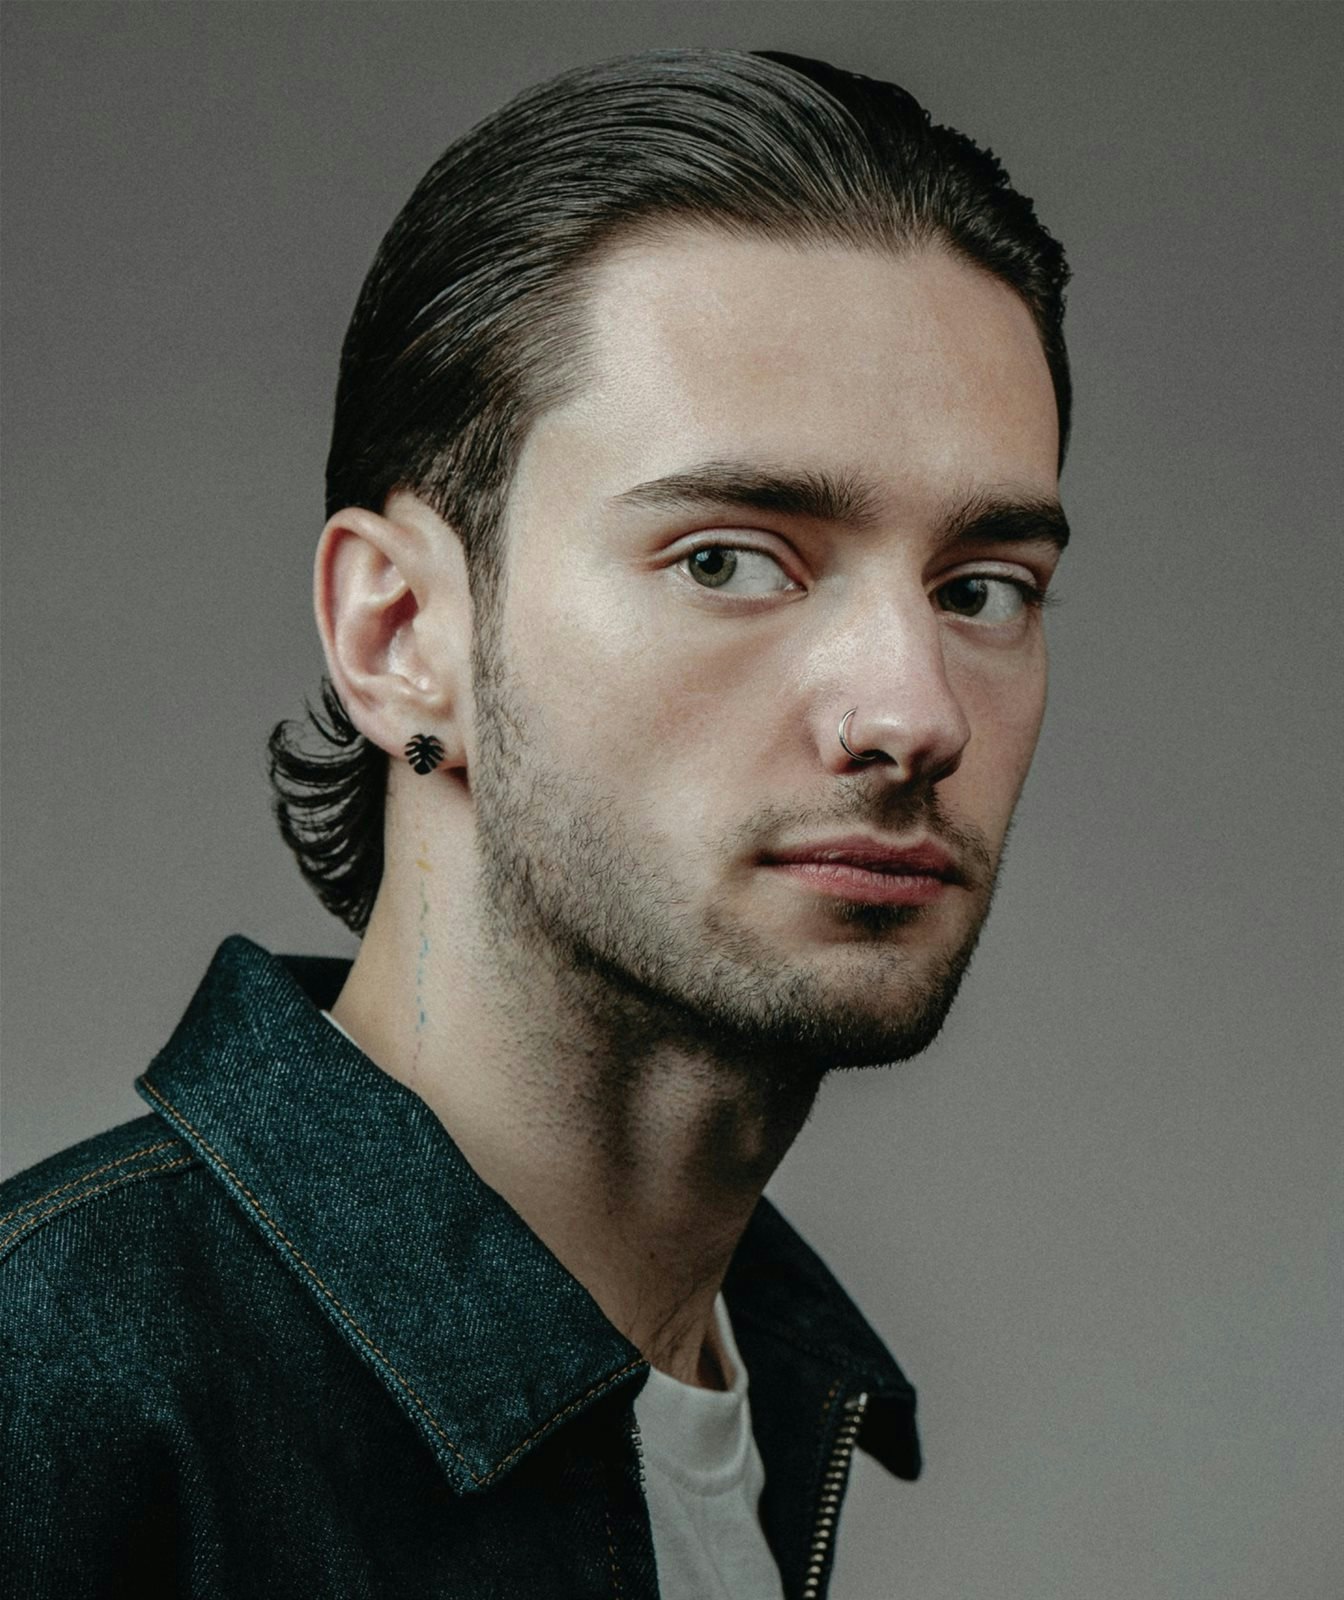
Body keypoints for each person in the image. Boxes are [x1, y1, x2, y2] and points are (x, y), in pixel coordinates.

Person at [0, 46, 1071, 1600]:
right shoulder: (49, 1393)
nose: (916, 714)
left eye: (983, 589)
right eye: (729, 560)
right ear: (396, 634)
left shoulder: (762, 1393)